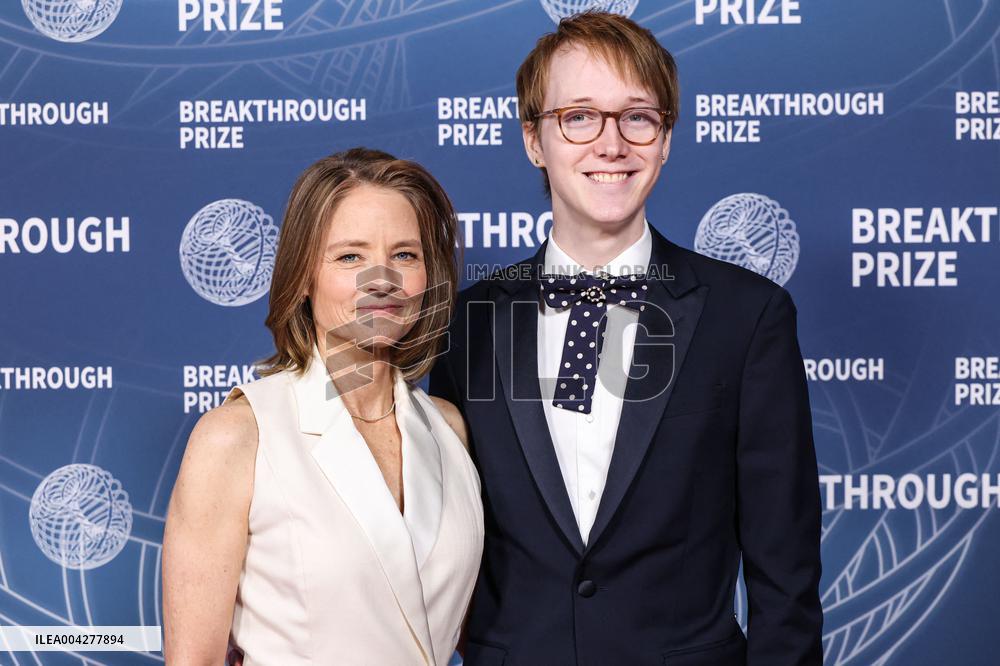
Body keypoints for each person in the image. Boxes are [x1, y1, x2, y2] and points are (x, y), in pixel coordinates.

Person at [429, 12, 822, 666]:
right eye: (579, 116)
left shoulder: (748, 318)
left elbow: (787, 578)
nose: (611, 144)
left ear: (665, 139)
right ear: (534, 139)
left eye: (638, 117)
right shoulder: (464, 327)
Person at [162, 147, 483, 666]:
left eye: (405, 254)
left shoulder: (449, 429)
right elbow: (192, 659)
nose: (382, 279)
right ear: (304, 275)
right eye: (350, 256)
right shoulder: (239, 436)